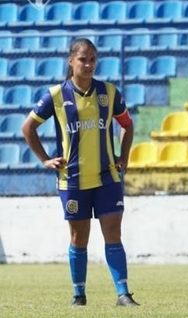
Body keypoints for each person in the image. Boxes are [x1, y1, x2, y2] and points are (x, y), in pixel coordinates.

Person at [21, 38, 139, 307]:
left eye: (93, 59)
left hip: (107, 177)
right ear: (71, 61)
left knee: (113, 232)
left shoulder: (108, 93)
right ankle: (79, 293)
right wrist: (45, 160)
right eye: (83, 59)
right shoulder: (55, 95)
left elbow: (127, 125)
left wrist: (124, 157)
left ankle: (123, 293)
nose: (88, 64)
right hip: (72, 180)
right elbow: (28, 128)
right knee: (79, 237)